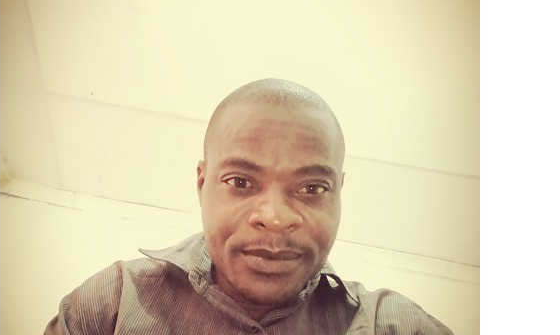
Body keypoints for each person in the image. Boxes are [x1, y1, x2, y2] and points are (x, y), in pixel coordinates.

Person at [44, 78, 454, 334]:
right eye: (240, 182)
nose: (274, 218)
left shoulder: (388, 325)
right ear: (202, 184)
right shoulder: (113, 304)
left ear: (338, 193)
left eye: (312, 187)